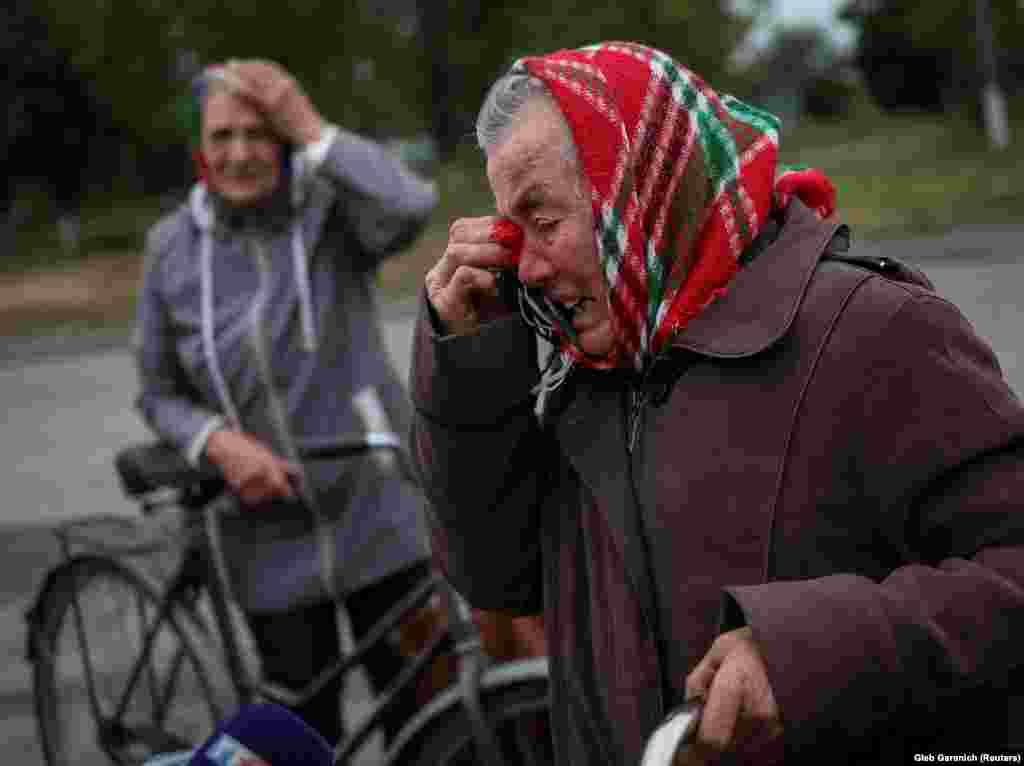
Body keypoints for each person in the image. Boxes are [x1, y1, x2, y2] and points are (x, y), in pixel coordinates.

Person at [410, 41, 1024, 765]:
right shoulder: (588, 371)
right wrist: (471, 369)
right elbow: (499, 581)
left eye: (543, 223)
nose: (528, 268)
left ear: (644, 186)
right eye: (513, 233)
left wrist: (805, 655)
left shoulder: (873, 330)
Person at [135, 58, 438, 745]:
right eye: (222, 136)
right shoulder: (171, 249)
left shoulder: (330, 214)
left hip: (380, 520)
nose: (240, 153)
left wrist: (307, 122)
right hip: (266, 542)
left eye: (258, 133)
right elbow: (158, 392)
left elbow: (410, 206)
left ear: (283, 141)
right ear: (200, 150)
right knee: (305, 738)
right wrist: (217, 442)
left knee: (425, 728)